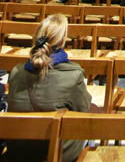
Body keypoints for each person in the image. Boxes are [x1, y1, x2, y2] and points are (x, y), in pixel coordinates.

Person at [7, 14, 91, 162]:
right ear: (63, 40)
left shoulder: (16, 72)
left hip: (20, 152)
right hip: (58, 153)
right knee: (89, 126)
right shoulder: (73, 75)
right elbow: (83, 112)